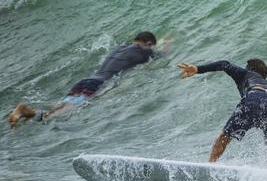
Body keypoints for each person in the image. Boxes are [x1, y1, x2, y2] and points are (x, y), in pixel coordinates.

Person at [8, 31, 159, 126]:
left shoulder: (120, 48)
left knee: (61, 107)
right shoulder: (143, 51)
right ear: (149, 43)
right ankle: (27, 112)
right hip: (98, 84)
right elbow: (156, 54)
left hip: (86, 81)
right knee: (64, 112)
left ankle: (28, 112)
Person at [177, 58, 267, 164]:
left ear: (251, 69)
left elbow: (224, 64)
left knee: (224, 137)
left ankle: (210, 165)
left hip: (256, 95)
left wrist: (198, 69)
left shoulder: (246, 74)